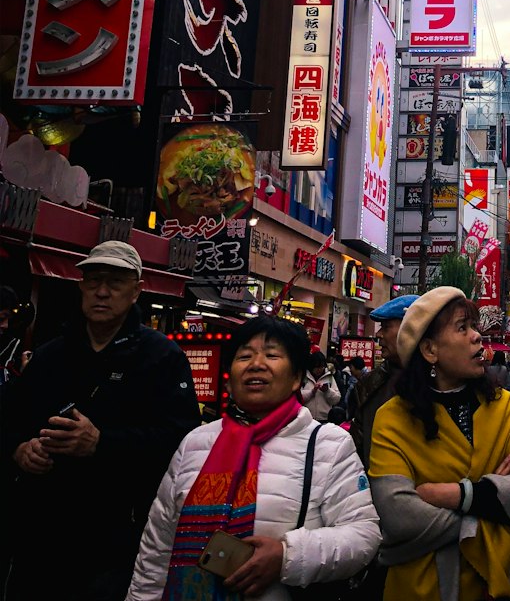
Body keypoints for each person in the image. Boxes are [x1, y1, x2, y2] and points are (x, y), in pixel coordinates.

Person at [127, 315, 381, 599]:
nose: (255, 364)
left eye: (272, 355)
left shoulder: (328, 445)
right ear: (229, 376)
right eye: (244, 356)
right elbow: (157, 546)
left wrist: (287, 556)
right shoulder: (196, 443)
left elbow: (363, 536)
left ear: (297, 377)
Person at [1, 240, 201, 600]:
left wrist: (102, 443)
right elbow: (10, 418)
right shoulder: (50, 354)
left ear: (137, 290)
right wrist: (20, 449)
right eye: (93, 281)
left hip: (118, 537)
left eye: (115, 282)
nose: (102, 292)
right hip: (40, 531)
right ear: (81, 287)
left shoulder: (162, 357)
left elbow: (182, 440)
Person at [367, 287, 510, 600]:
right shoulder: (393, 418)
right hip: (419, 589)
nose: (477, 336)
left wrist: (457, 494)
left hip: (491, 588)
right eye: (463, 328)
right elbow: (398, 517)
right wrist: (492, 502)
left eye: (474, 327)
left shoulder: (502, 404)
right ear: (430, 350)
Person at [349, 294, 418, 468]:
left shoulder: (444, 379)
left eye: (386, 327)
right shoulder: (369, 385)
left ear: (411, 328)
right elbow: (357, 447)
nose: (379, 334)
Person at [300, 350, 342, 421]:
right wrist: (312, 392)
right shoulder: (304, 377)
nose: (319, 370)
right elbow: (298, 398)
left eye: (321, 367)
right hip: (306, 419)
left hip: (325, 419)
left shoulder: (329, 377)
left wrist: (327, 391)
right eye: (317, 367)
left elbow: (336, 399)